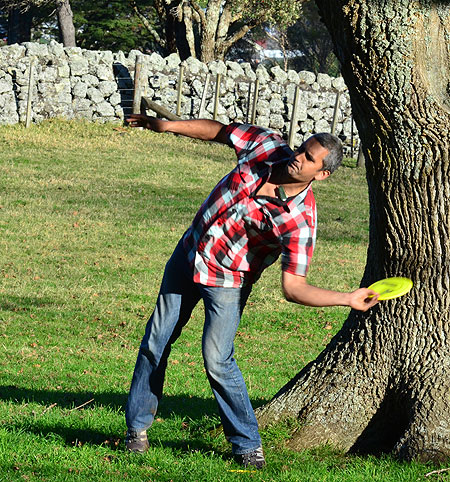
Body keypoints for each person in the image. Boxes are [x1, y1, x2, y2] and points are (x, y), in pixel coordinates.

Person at [124, 114, 379, 469]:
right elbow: (220, 131)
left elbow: (294, 288)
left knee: (217, 360)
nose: (298, 157)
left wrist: (347, 298)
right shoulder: (267, 146)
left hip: (227, 283)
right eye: (302, 148)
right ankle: (136, 429)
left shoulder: (300, 221)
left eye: (308, 158)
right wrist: (169, 126)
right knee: (156, 340)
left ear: (322, 175)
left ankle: (247, 445)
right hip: (188, 256)